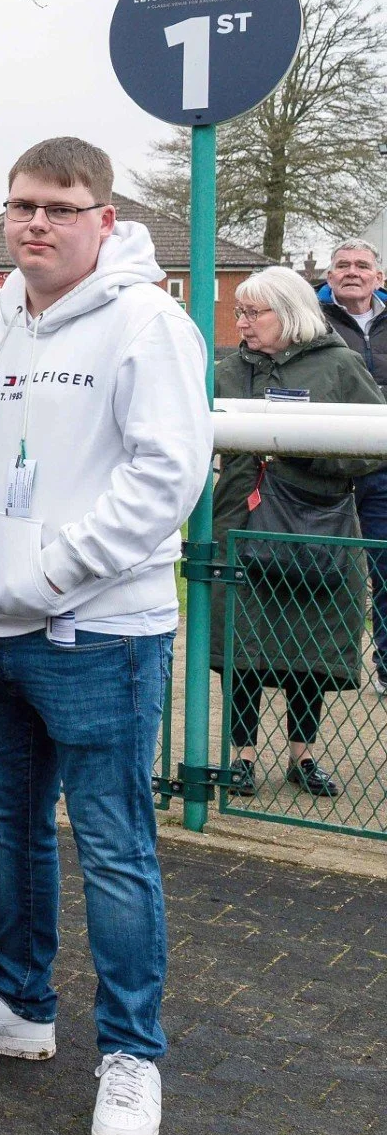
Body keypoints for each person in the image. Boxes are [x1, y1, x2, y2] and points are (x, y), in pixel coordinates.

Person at [0, 138, 211, 1135]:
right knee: (13, 831)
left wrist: (49, 576)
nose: (34, 222)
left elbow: (167, 475)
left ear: (104, 217)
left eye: (58, 206)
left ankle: (131, 1052)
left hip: (98, 634)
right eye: (20, 204)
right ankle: (20, 1003)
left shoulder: (147, 322)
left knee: (116, 846)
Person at [212, 266, 384, 801]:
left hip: (314, 527)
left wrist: (310, 450)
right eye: (239, 312)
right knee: (241, 643)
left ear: (289, 313)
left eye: (252, 312)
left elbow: (376, 444)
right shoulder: (227, 369)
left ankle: (302, 756)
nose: (241, 323)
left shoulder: (338, 364)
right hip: (237, 525)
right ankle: (239, 757)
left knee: (306, 648)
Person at [318, 239, 387, 695]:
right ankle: (316, 667)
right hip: (329, 467)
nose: (352, 272)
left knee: (385, 566)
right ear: (329, 277)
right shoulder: (311, 321)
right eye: (342, 265)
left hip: (383, 465)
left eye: (363, 265)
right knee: (322, 568)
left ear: (379, 278)